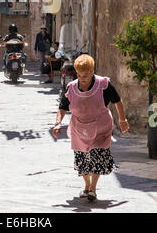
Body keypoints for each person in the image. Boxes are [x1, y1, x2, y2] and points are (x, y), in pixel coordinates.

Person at [52, 54, 129, 202]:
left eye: (85, 75)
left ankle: (93, 188)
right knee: (81, 159)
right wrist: (57, 123)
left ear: (92, 71)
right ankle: (86, 185)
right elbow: (62, 107)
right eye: (79, 75)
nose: (82, 78)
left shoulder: (103, 84)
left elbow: (117, 101)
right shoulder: (71, 87)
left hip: (101, 128)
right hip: (79, 128)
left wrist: (123, 119)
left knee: (96, 156)